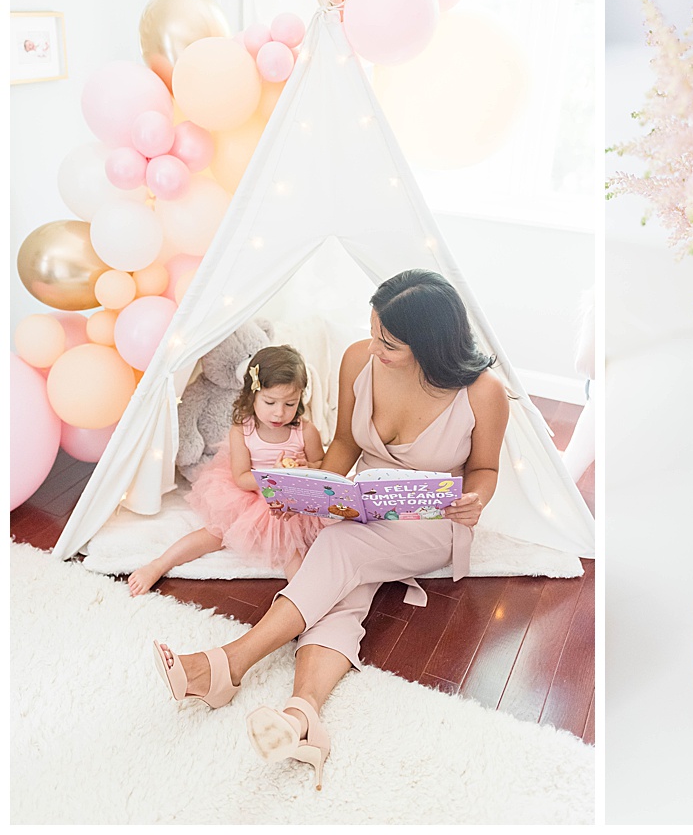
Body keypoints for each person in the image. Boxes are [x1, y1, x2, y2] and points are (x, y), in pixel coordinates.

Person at [150, 269, 509, 791]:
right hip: (362, 506)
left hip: (431, 522)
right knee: (341, 587)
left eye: (390, 341)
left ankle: (229, 663)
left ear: (430, 343)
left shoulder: (482, 393)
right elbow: (343, 444)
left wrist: (476, 500)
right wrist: (313, 493)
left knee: (338, 549)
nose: (375, 345)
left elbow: (485, 471)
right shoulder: (359, 359)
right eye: (373, 328)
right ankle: (304, 717)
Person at [130, 345, 325, 596]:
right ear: (252, 395)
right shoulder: (243, 430)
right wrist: (272, 477)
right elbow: (241, 478)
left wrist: (305, 469)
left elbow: (322, 465)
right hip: (252, 494)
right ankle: (158, 565)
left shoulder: (305, 431)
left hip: (290, 504)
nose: (279, 412)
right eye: (269, 402)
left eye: (290, 403)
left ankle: (303, 602)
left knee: (292, 548)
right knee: (215, 534)